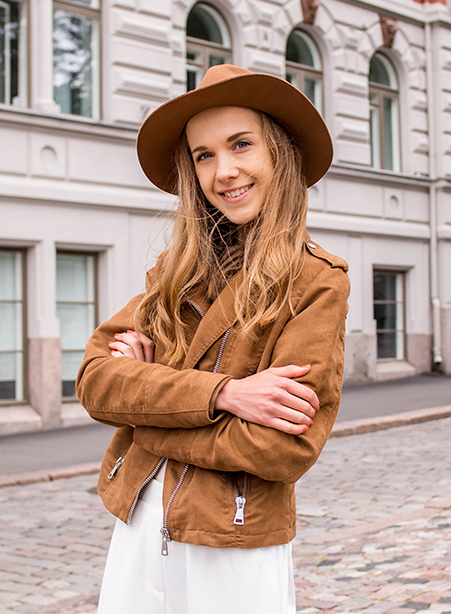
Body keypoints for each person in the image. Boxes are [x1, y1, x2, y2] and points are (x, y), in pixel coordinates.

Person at [76, 64, 349, 614]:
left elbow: (282, 446)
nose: (224, 170)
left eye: (241, 145)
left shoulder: (317, 280)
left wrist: (146, 414)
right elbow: (96, 381)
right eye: (204, 155)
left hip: (234, 535)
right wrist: (224, 394)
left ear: (279, 154)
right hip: (138, 519)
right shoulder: (174, 272)